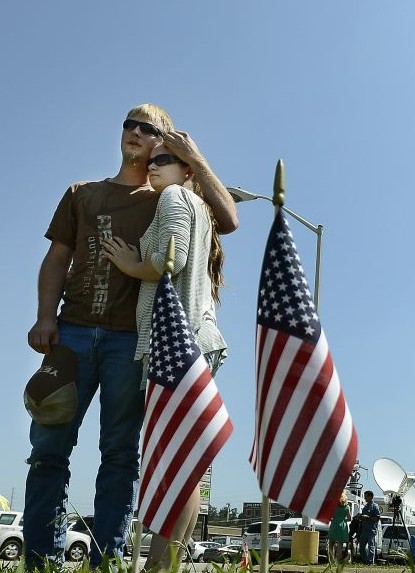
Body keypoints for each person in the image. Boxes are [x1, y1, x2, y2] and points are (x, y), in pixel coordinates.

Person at [25, 104, 237, 571]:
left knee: (120, 453)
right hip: (73, 331)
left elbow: (228, 219)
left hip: (132, 341)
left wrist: (195, 158)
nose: (136, 132)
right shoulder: (83, 193)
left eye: (149, 129)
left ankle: (108, 559)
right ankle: (41, 558)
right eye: (129, 124)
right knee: (48, 447)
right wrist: (46, 316)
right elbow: (57, 258)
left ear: (167, 145)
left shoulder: (167, 195)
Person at [102, 141, 229, 572]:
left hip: (177, 345)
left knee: (174, 459)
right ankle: (167, 563)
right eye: (150, 160)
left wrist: (128, 264)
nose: (151, 167)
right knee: (184, 461)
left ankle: (159, 564)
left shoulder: (175, 197)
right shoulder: (199, 207)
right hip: (194, 344)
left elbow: (166, 260)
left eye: (163, 160)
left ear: (188, 169)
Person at [328, 492, 352, 564]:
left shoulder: (333, 506)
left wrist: (334, 519)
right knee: (340, 544)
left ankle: (331, 559)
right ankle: (337, 560)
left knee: (331, 543)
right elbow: (350, 518)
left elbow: (330, 516)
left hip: (334, 524)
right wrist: (343, 519)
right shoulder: (347, 507)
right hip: (342, 525)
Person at [359, 490, 382, 564]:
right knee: (361, 547)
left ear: (370, 497)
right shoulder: (366, 506)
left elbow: (377, 519)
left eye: (366, 496)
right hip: (364, 530)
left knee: (371, 547)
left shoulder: (375, 506)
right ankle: (365, 561)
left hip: (371, 530)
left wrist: (368, 517)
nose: (365, 498)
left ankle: (370, 562)